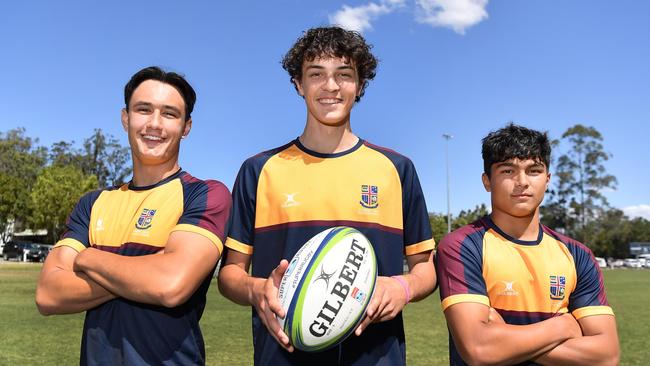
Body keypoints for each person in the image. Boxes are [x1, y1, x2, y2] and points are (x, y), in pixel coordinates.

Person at [217, 26, 437, 365]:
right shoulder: (259, 170)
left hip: (377, 355)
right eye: (316, 74)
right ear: (298, 84)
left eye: (344, 75)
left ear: (360, 85)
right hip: (281, 356)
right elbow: (230, 274)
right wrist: (256, 290)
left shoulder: (397, 168)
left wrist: (401, 288)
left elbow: (426, 270)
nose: (330, 86)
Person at [35, 66, 231, 365]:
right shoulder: (93, 203)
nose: (155, 124)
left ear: (186, 126)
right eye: (143, 109)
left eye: (169, 113)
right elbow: (49, 294)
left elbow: (170, 286)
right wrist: (147, 272)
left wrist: (89, 260)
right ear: (125, 118)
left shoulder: (205, 195)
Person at [435, 123, 619, 365]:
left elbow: (606, 355)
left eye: (533, 170)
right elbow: (479, 349)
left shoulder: (578, 255)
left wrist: (505, 340)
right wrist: (562, 326)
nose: (522, 181)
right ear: (487, 181)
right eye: (507, 171)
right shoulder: (462, 246)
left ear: (547, 179)